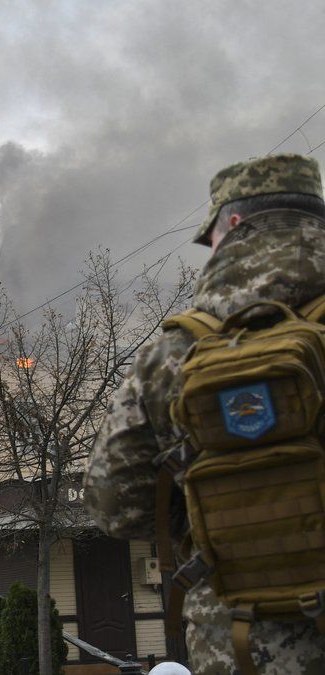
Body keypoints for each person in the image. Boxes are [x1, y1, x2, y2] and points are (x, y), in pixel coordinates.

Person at [84, 153, 325, 674]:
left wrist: (208, 501)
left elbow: (114, 506)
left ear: (232, 225)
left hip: (240, 641)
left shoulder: (172, 355)